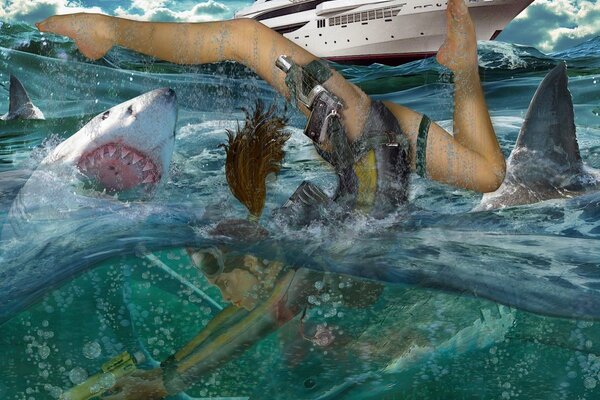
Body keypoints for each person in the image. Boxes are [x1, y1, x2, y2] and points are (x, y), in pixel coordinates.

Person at [36, 0, 506, 398]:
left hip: (362, 132)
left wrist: (167, 379)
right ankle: (463, 64)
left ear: (250, 259)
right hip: (379, 145)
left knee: (245, 38)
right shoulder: (295, 247)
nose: (219, 292)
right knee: (488, 174)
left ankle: (106, 29)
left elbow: (264, 314)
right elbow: (260, 311)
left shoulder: (300, 270)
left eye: (218, 271)